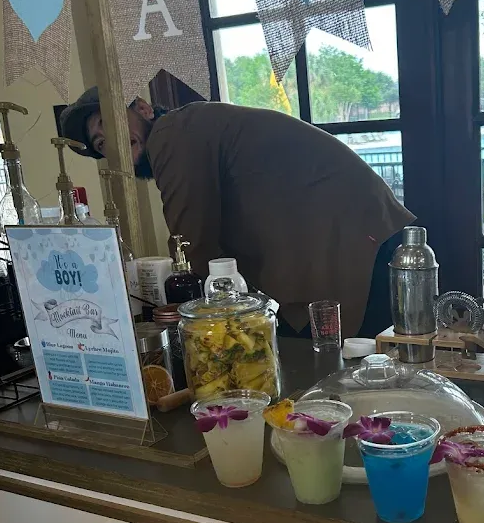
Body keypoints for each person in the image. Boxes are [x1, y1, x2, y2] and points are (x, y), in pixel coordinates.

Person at [60, 88, 414, 338]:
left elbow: (191, 240)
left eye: (108, 122)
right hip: (351, 233)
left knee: (362, 369)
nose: (111, 141)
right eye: (101, 143)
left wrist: (203, 324)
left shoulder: (171, 134)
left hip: (353, 238)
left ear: (143, 108)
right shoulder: (188, 127)